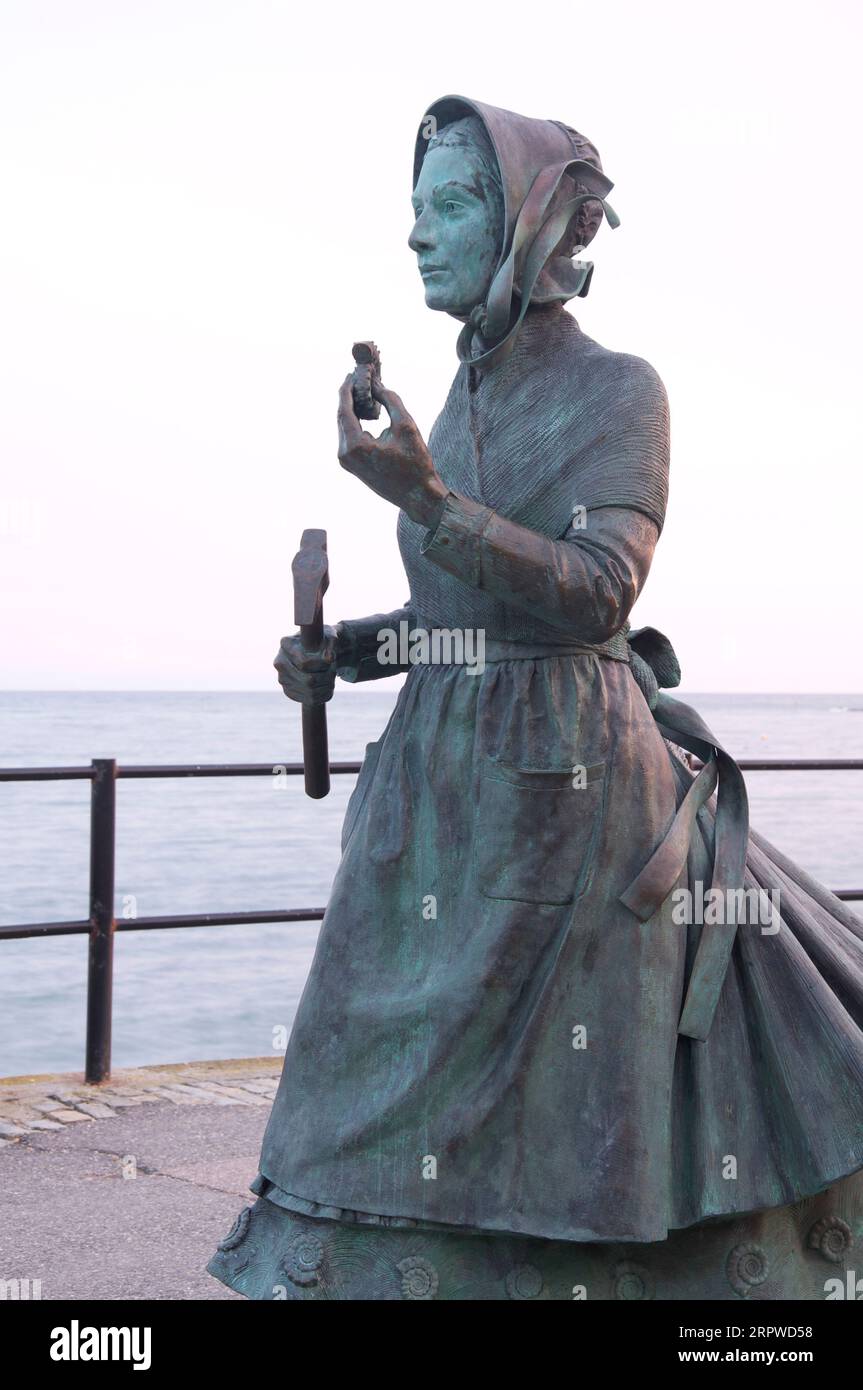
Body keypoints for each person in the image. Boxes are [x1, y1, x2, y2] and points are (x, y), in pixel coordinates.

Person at [208, 96, 863, 1300]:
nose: (416, 234)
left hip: (563, 775)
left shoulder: (623, 390)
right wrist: (345, 651)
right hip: (435, 785)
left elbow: (594, 593)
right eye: (412, 209)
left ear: (531, 226)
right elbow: (461, 617)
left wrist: (425, 501)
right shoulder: (452, 403)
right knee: (366, 1064)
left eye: (451, 204)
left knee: (549, 1108)